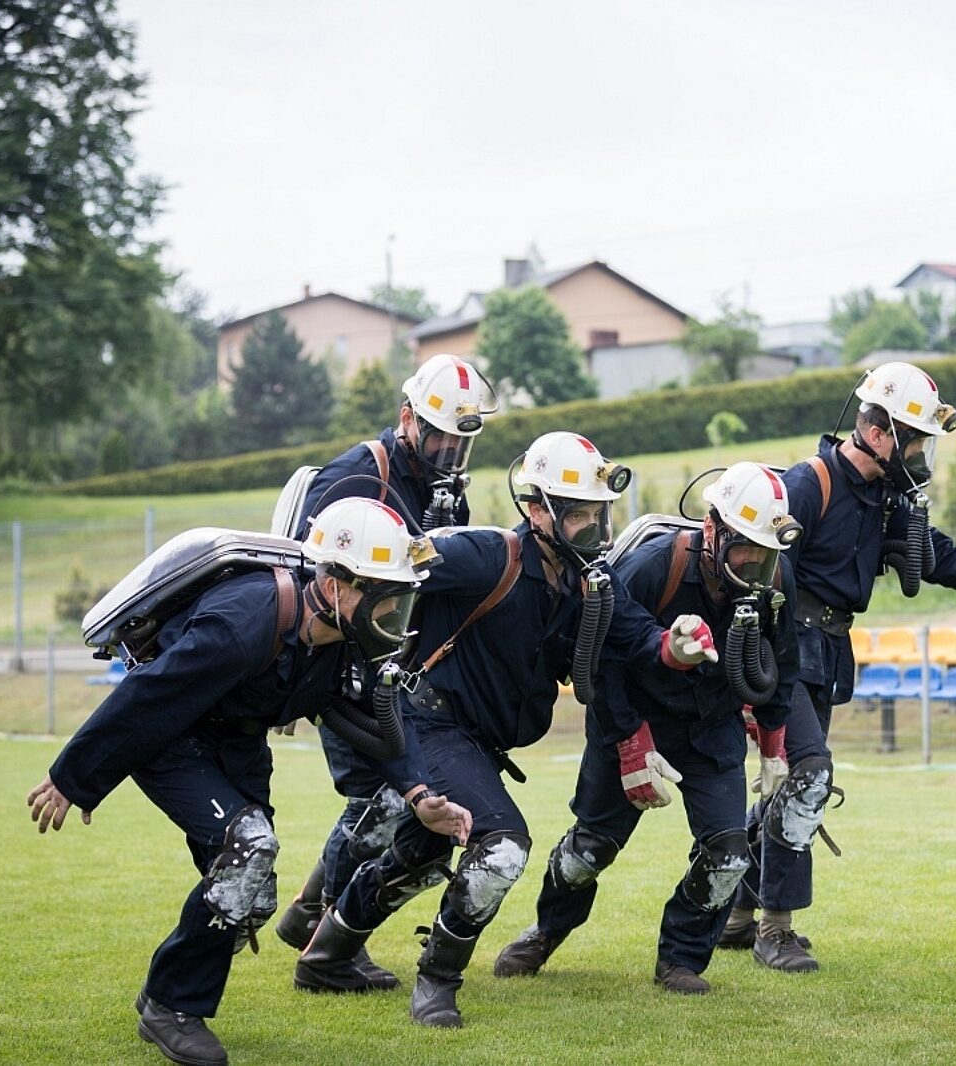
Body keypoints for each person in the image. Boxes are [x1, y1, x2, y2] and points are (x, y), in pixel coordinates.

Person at [25, 498, 472, 1066]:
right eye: (385, 595)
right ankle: (170, 1006)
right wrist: (74, 778)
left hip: (236, 746)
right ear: (335, 585)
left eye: (400, 597)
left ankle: (173, 983)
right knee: (249, 848)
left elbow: (379, 725)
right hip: (171, 739)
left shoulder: (344, 645)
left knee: (254, 901)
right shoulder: (243, 623)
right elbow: (147, 697)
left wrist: (421, 796)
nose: (394, 612)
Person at [293, 431, 718, 1028]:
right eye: (578, 513)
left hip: (478, 743)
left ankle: (326, 956)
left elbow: (640, 637)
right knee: (502, 846)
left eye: (599, 513)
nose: (594, 528)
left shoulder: (591, 581)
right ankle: (438, 982)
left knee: (422, 854)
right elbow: (383, 575)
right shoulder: (486, 554)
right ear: (537, 509)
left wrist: (677, 645)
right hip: (430, 722)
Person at [719, 361, 956, 973]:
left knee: (793, 782)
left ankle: (734, 912)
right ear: (877, 431)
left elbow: (933, 557)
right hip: (783, 651)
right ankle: (775, 931)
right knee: (808, 776)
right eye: (914, 441)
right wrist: (753, 687)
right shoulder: (806, 486)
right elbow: (752, 581)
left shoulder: (885, 497)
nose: (920, 455)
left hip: (828, 651)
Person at [495, 462, 801, 994]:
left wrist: (774, 744)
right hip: (631, 719)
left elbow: (783, 659)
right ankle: (546, 931)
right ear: (713, 529)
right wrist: (630, 743)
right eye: (745, 549)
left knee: (728, 855)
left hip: (711, 727)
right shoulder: (653, 566)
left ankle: (681, 959)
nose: (756, 564)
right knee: (588, 851)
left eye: (766, 553)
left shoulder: (775, 577)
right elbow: (601, 660)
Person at [275, 352, 492, 991]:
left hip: (390, 661)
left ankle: (309, 915)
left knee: (377, 798)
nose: (450, 452)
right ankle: (329, 941)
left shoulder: (443, 488)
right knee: (378, 799)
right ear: (407, 419)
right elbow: (314, 575)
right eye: (440, 436)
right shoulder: (356, 476)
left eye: (461, 442)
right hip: (340, 662)